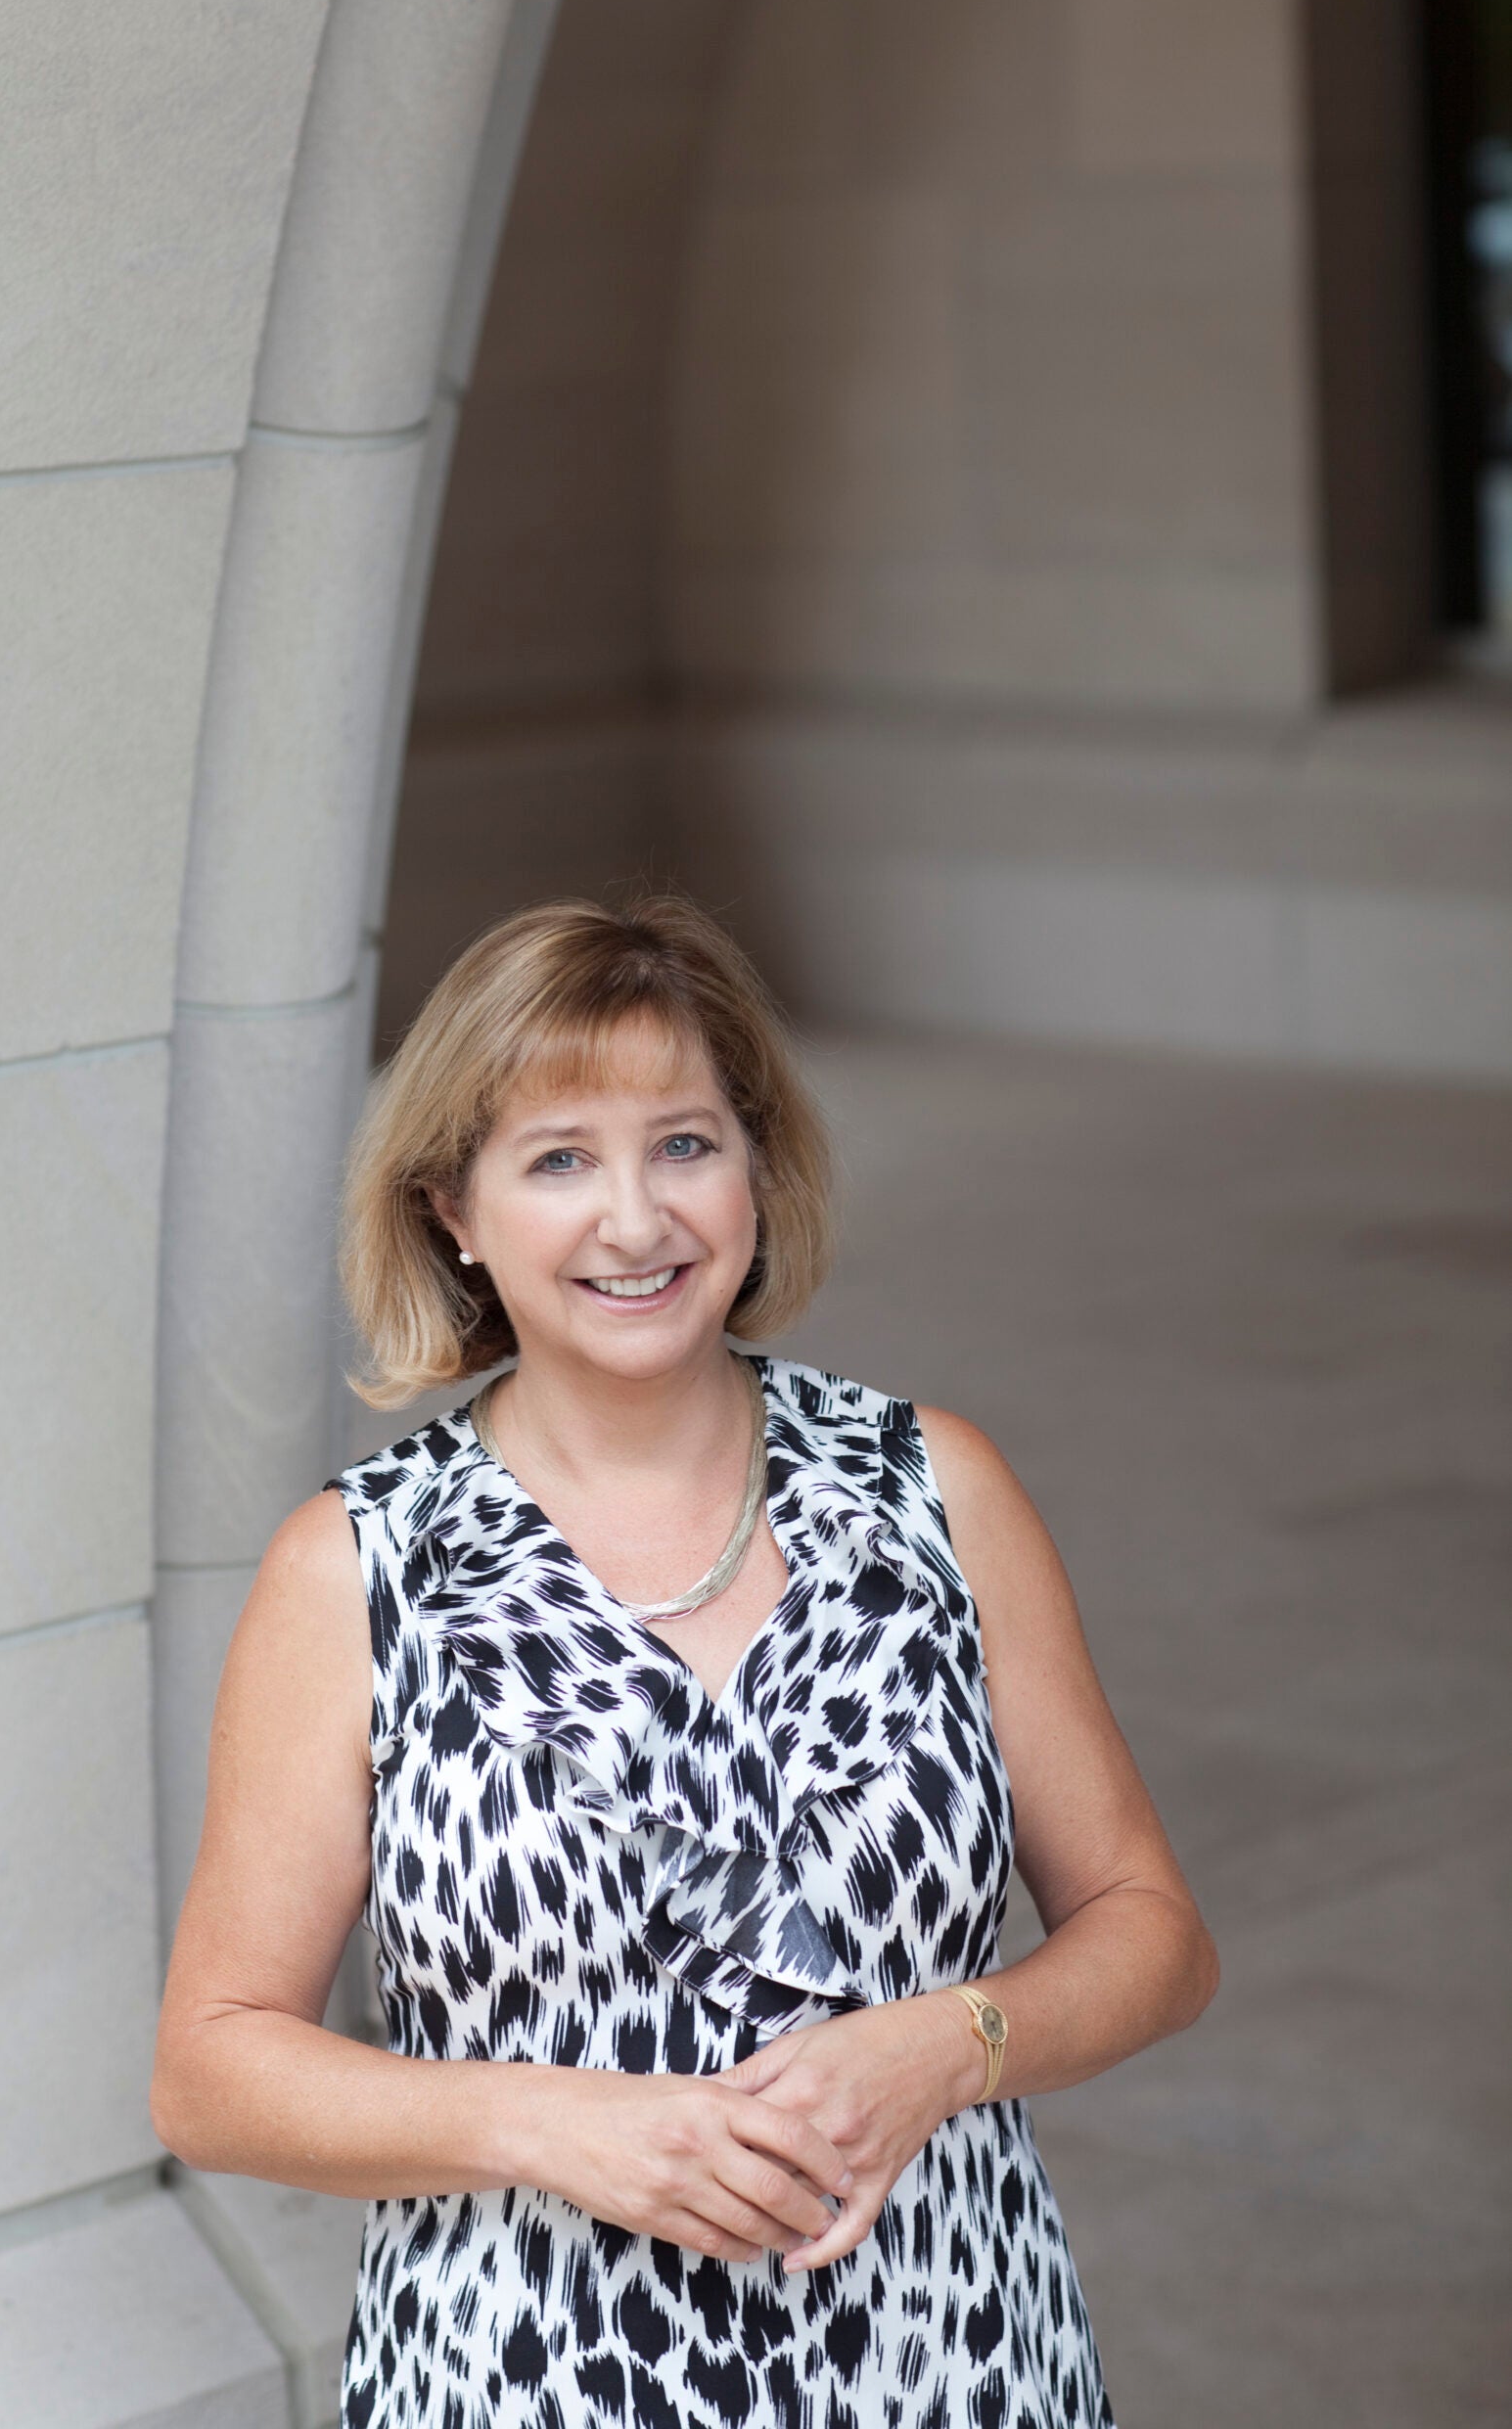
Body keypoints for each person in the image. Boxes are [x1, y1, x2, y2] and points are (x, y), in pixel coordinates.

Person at [152, 893, 1218, 2429]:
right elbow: (211, 2067)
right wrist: (553, 2126)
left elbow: (1155, 1934)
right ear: (453, 1208)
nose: (636, 1219)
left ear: (757, 1170)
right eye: (560, 1159)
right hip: (526, 2383)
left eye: (685, 1144)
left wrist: (954, 2041)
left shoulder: (936, 1490)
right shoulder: (355, 1571)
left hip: (949, 2366)